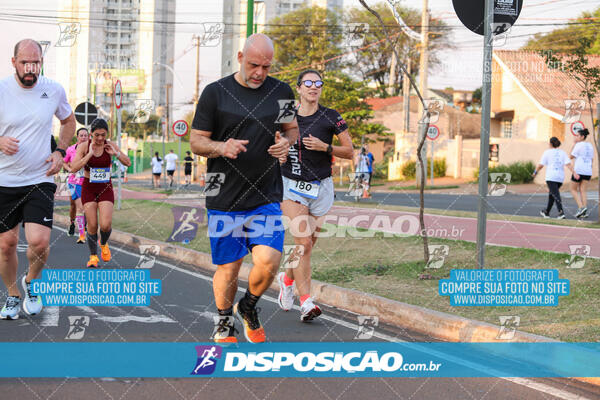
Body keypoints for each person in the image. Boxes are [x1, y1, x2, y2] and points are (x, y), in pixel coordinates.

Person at [190, 33, 299, 343]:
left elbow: (291, 130)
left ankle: (248, 305)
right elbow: (197, 141)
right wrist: (222, 147)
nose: (259, 73)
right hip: (223, 195)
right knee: (229, 267)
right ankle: (224, 320)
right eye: (253, 65)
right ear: (239, 57)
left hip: (265, 194)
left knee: (269, 260)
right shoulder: (215, 93)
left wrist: (285, 145)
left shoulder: (281, 91)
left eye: (266, 67)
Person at [0, 39, 76, 320]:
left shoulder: (53, 90)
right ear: (13, 62)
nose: (30, 68)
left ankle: (31, 281)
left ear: (41, 62)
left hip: (39, 178)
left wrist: (60, 152)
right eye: (25, 63)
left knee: (40, 242)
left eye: (36, 63)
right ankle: (12, 294)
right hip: (4, 181)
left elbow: (69, 121)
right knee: (6, 244)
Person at [277, 69, 353, 322]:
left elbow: (350, 151)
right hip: (290, 185)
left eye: (318, 83)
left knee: (308, 245)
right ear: (299, 88)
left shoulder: (331, 116)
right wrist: (278, 152)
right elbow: (272, 143)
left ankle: (287, 280)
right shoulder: (286, 116)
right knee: (304, 244)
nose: (313, 87)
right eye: (308, 83)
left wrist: (326, 147)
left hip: (321, 186)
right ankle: (306, 302)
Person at [70, 118, 131, 268]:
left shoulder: (110, 145)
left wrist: (115, 153)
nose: (100, 138)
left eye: (103, 135)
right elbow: (73, 168)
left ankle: (103, 243)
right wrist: (89, 154)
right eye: (97, 135)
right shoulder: (84, 147)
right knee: (92, 224)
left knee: (105, 224)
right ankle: (93, 257)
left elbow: (127, 162)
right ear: (91, 134)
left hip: (105, 188)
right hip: (89, 188)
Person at [532, 137, 573, 219]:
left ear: (550, 144)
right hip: (560, 178)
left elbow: (541, 165)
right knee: (552, 194)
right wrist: (574, 173)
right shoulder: (563, 153)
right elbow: (568, 165)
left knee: (555, 194)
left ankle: (561, 212)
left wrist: (535, 172)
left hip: (551, 177)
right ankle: (546, 212)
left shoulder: (547, 152)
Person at [63, 127, 89, 243]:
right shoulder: (70, 150)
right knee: (74, 206)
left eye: (86, 135)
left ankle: (83, 232)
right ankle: (73, 223)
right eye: (81, 135)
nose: (84, 137)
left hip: (88, 182)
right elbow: (64, 161)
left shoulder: (92, 149)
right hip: (74, 182)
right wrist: (69, 169)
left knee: (84, 207)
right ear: (77, 137)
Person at [570, 128, 594, 219]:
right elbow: (592, 159)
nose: (576, 137)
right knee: (583, 190)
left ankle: (581, 207)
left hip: (579, 170)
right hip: (588, 171)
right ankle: (584, 211)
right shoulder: (590, 145)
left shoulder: (578, 145)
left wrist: (573, 145)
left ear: (582, 136)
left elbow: (571, 156)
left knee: (573, 189)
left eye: (578, 135)